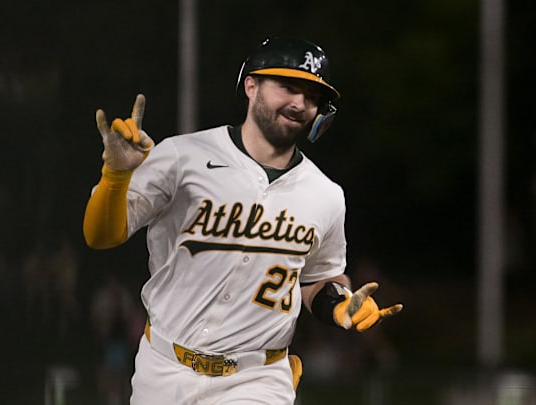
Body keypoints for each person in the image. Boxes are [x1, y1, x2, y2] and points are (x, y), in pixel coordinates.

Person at [83, 37, 403, 404]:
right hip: (164, 369)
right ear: (251, 86)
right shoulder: (182, 156)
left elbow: (319, 279)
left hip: (256, 379)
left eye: (312, 96)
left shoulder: (325, 195)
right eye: (288, 87)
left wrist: (340, 303)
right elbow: (101, 236)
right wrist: (115, 179)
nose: (299, 103)